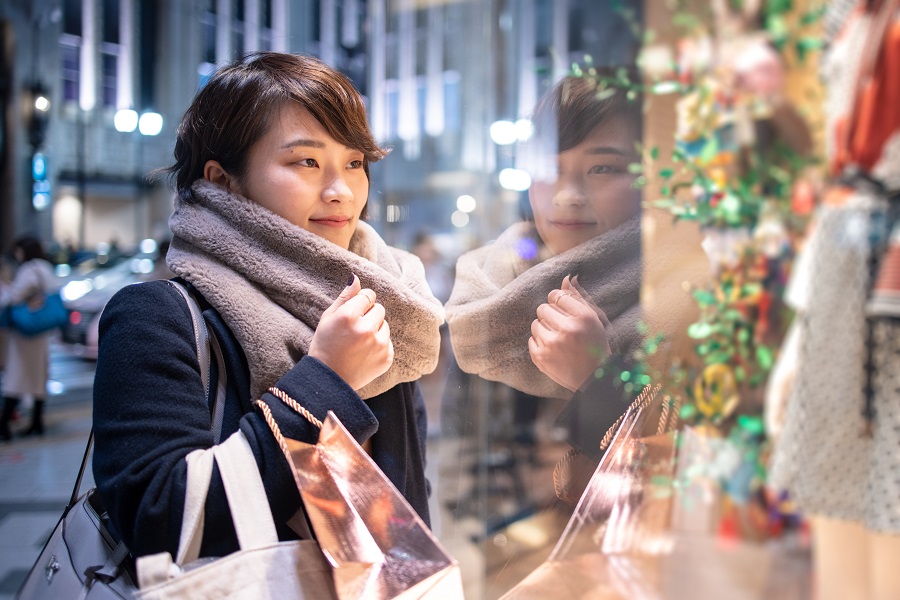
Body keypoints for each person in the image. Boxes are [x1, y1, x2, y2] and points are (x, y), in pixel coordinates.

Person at [91, 52, 445, 559]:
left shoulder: (386, 304)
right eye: (306, 161)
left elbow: (403, 507)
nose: (342, 191)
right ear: (221, 180)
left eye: (354, 163)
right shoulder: (157, 315)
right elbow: (158, 519)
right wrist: (326, 380)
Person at [445, 73, 643, 402]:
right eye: (550, 170)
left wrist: (598, 383)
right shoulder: (481, 300)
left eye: (603, 168)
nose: (568, 196)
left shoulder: (684, 303)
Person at [0, 235, 58, 441]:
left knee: (15, 377)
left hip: (25, 334)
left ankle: (4, 425)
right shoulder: (45, 267)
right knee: (39, 378)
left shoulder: (29, 269)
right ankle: (37, 422)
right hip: (40, 331)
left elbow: (13, 297)